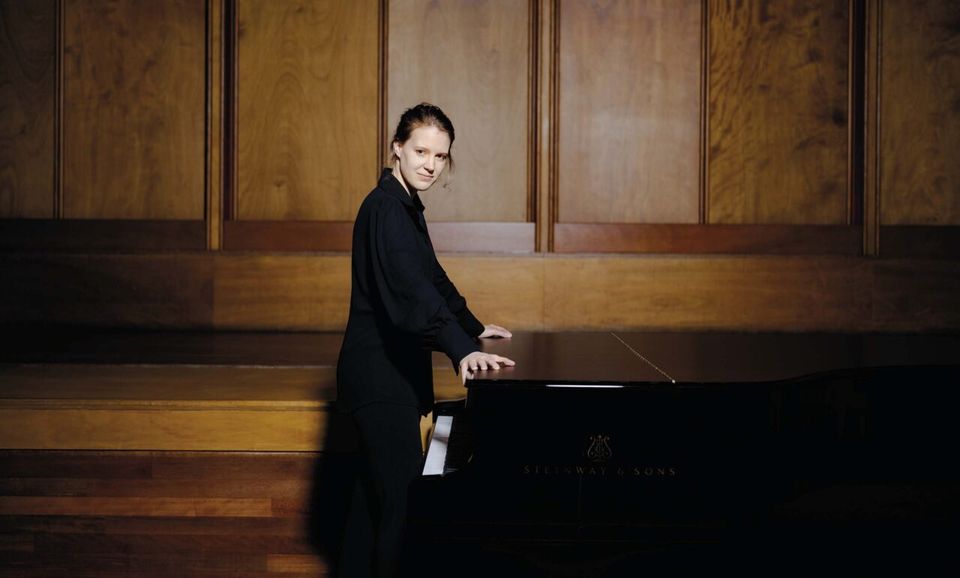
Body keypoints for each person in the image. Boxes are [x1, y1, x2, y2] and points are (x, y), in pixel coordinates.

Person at [335, 102, 515, 578]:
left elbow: (433, 279)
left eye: (440, 156)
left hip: (386, 377)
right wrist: (461, 349)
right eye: (421, 151)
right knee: (400, 511)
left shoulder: (404, 207)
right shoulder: (386, 209)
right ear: (397, 147)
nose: (431, 165)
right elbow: (412, 296)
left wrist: (472, 328)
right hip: (379, 380)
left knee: (371, 508)